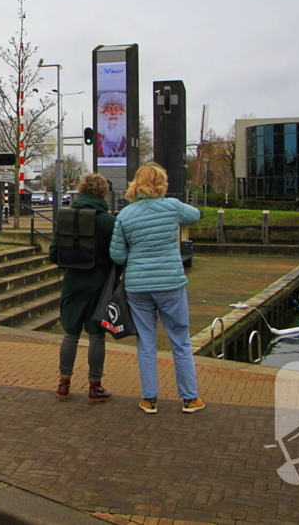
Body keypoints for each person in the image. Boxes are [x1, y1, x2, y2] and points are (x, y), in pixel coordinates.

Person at [109, 163, 203, 414]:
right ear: (161, 183)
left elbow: (117, 256)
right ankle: (190, 398)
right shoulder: (172, 207)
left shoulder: (125, 215)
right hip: (170, 283)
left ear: (135, 185)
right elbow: (195, 215)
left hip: (138, 286)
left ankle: (149, 398)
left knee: (146, 341)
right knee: (180, 340)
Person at [48, 173, 116, 404]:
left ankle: (63, 384)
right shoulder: (108, 221)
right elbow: (116, 255)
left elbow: (53, 254)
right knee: (96, 335)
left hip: (72, 282)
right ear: (103, 193)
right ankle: (94, 387)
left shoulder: (65, 217)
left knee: (70, 333)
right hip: (99, 282)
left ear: (82, 190)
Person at [96, 92, 127, 158]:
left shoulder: (128, 138)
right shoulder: (97, 139)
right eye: (109, 109)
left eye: (117, 109)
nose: (113, 113)